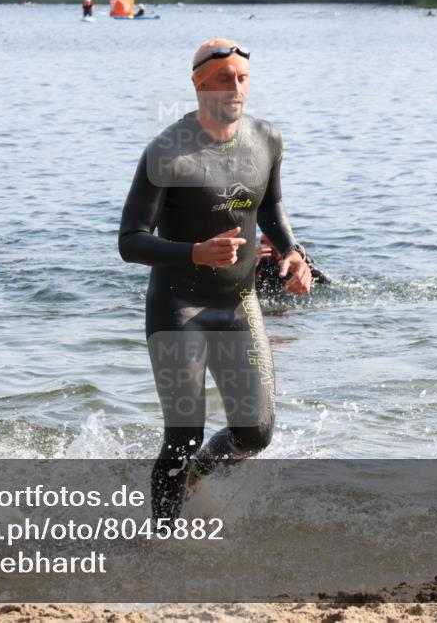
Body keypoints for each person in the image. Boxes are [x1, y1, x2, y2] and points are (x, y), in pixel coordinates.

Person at [119, 39, 312, 520]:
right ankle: (163, 543)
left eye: (243, 78)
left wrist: (293, 252)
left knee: (255, 433)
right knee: (183, 436)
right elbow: (130, 241)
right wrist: (195, 252)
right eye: (224, 79)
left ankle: (196, 477)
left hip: (239, 302)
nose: (236, 88)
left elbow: (270, 205)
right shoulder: (166, 152)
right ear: (199, 84)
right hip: (178, 306)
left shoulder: (265, 139)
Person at [255, 233, 333, 302]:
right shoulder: (260, 262)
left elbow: (328, 285)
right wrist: (252, 263)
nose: (268, 250)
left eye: (273, 249)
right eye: (263, 243)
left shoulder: (298, 262)